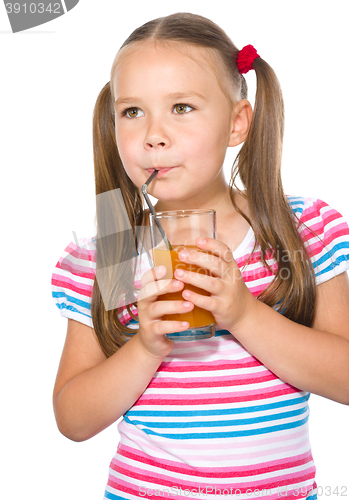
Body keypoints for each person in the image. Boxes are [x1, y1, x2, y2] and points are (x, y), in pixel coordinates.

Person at [51, 12, 349, 500]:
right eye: (132, 112)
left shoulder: (299, 230)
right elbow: (73, 419)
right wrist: (145, 346)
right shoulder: (115, 250)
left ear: (237, 124)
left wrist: (244, 313)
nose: (154, 135)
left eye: (182, 108)